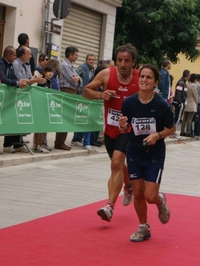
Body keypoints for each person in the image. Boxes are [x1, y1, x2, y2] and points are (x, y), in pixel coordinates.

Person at [118, 64, 175, 242]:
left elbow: (171, 128)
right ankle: (143, 227)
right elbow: (126, 127)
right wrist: (122, 125)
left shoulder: (161, 105)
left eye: (148, 77)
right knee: (138, 192)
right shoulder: (129, 102)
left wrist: (157, 135)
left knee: (150, 196)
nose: (144, 80)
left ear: (156, 82)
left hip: (154, 155)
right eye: (142, 76)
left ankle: (160, 202)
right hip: (134, 152)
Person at [82, 43, 139, 222]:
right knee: (119, 165)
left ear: (133, 62)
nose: (122, 64)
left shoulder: (140, 77)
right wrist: (101, 95)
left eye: (127, 61)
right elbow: (86, 91)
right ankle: (128, 186)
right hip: (110, 129)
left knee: (116, 164)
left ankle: (109, 206)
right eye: (120, 60)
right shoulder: (107, 74)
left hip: (128, 129)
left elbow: (151, 99)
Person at [55, 46, 81, 151]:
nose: (76, 57)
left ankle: (61, 141)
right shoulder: (65, 65)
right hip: (66, 91)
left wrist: (78, 79)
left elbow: (79, 79)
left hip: (72, 92)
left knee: (68, 117)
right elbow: (73, 80)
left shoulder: (70, 66)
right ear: (70, 54)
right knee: (65, 117)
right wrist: (77, 79)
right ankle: (59, 142)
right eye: (75, 55)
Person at [73, 54, 97, 151]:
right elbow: (73, 74)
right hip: (82, 96)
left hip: (89, 97)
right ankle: (81, 140)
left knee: (84, 118)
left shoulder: (93, 70)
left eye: (93, 60)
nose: (91, 61)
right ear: (86, 60)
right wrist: (78, 83)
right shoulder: (83, 68)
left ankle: (77, 139)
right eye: (89, 59)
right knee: (83, 118)